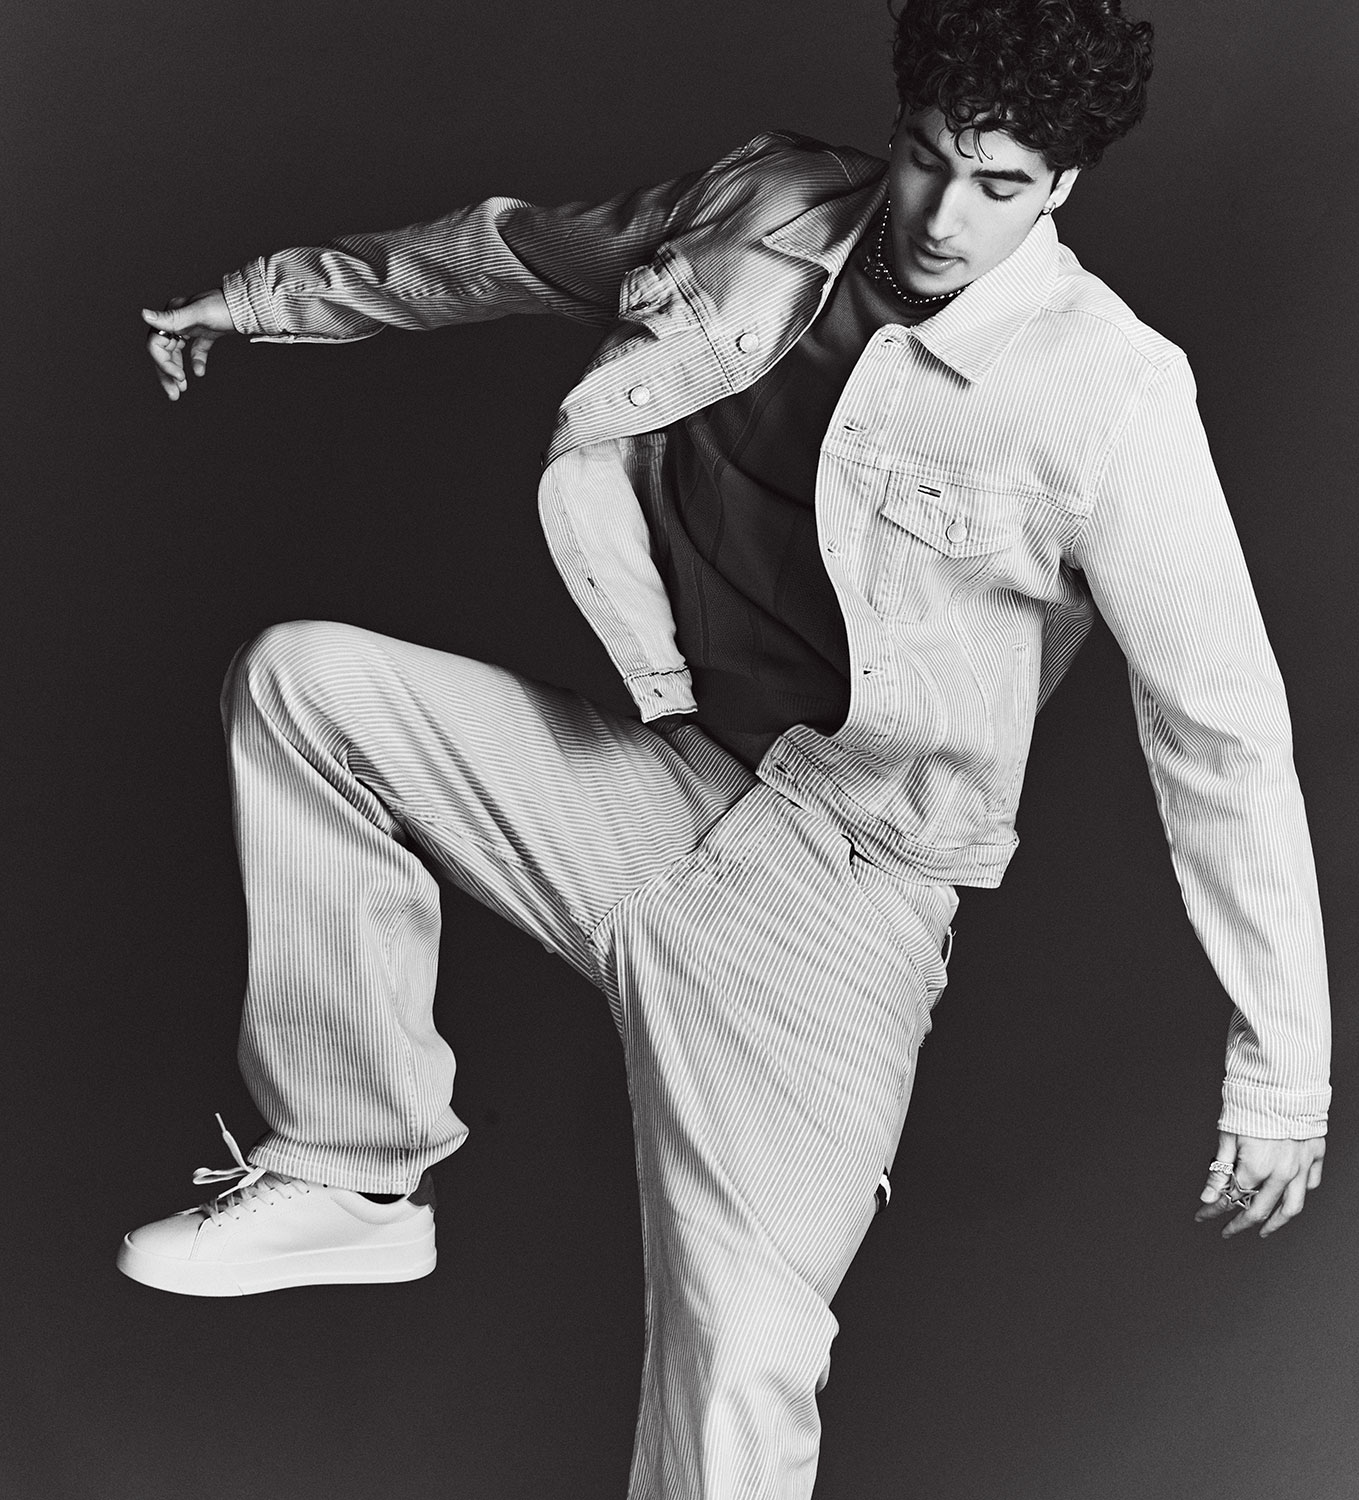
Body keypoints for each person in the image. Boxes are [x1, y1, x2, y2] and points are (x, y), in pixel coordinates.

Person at [118, 1, 1330, 1494]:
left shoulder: (1112, 393)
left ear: (1063, 185)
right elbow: (508, 251)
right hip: (650, 783)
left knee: (742, 1366)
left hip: (840, 896)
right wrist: (263, 298)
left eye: (1001, 185)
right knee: (304, 686)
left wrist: (1284, 1072)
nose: (945, 217)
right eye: (929, 157)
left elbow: (1222, 726)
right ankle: (350, 1172)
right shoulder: (761, 203)